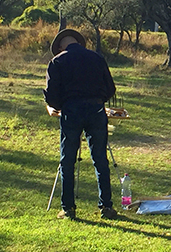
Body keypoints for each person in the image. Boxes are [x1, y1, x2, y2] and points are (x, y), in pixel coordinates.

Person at [44, 29, 118, 219]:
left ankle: (68, 208)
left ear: (61, 46)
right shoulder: (96, 58)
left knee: (67, 159)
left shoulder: (58, 61)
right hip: (96, 110)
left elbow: (51, 96)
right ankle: (106, 206)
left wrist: (61, 106)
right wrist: (97, 99)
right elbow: (110, 88)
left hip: (71, 112)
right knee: (100, 159)